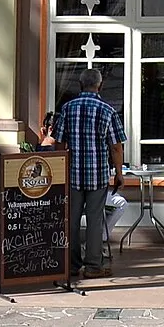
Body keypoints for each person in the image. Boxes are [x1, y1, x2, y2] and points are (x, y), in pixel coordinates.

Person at [52, 70, 124, 279]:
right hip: (97, 175)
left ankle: (72, 265)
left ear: (80, 85)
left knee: (71, 220)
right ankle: (93, 265)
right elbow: (116, 147)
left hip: (72, 175)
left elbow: (59, 142)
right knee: (95, 219)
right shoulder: (107, 110)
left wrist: (60, 169)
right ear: (100, 86)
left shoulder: (67, 108)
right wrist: (119, 173)